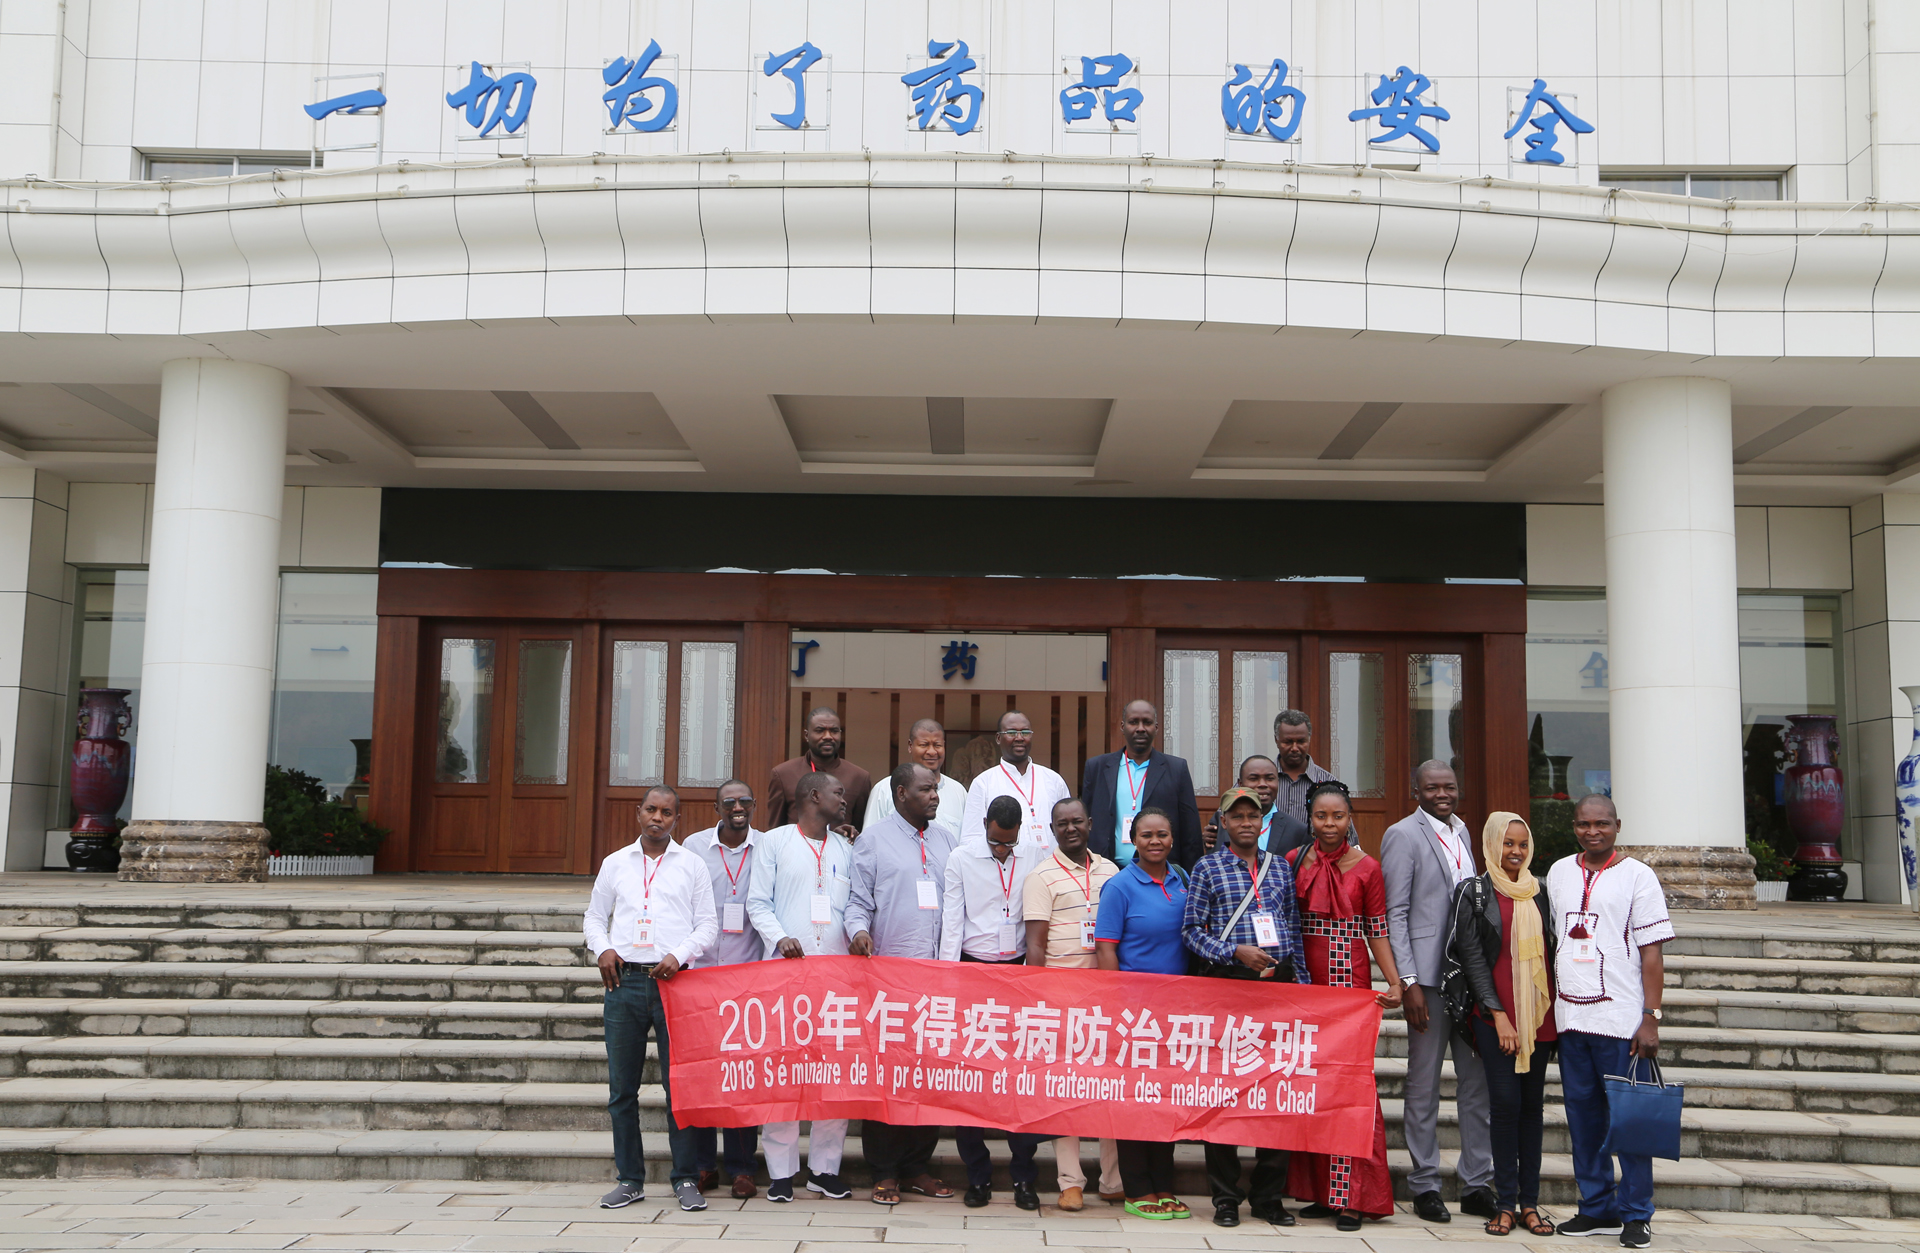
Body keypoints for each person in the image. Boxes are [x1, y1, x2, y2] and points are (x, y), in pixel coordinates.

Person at [1547, 795, 1672, 1250]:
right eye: (1584, 824)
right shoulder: (1558, 872)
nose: (1592, 831)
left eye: (1601, 824)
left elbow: (1652, 954)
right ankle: (1596, 1208)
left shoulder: (1639, 875)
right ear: (1574, 826)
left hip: (1621, 1021)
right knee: (1583, 1121)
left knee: (1629, 1121)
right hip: (1571, 1019)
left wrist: (1650, 1017)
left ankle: (1636, 1213)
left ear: (1617, 825)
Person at [584, 786, 717, 1213]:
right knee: (622, 1089)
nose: (658, 818)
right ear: (638, 813)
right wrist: (602, 948)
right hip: (623, 983)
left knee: (680, 1088)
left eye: (666, 812)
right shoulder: (615, 863)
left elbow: (708, 924)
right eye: (651, 810)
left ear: (677, 819)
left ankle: (686, 1178)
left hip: (675, 984)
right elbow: (594, 917)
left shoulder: (691, 865)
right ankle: (630, 1180)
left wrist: (680, 954)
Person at [1181, 786, 1308, 1229]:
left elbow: (1292, 926)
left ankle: (1269, 1196)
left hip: (1278, 987)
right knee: (1225, 1092)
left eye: (1253, 816)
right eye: (1237, 816)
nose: (1246, 823)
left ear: (1262, 821)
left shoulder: (1280, 867)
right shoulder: (1207, 868)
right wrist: (1234, 952)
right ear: (1224, 823)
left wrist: (1303, 986)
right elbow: (1191, 931)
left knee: (1277, 1091)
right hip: (1229, 985)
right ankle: (1226, 1197)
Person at [1380, 759, 1496, 1223]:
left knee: (1476, 1083)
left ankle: (1476, 1183)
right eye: (1432, 788)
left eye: (1448, 786)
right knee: (1424, 1083)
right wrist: (1406, 980)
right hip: (1427, 980)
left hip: (1469, 978)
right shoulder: (1402, 835)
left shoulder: (1465, 833)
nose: (1442, 794)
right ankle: (1425, 1183)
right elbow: (1395, 912)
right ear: (1417, 791)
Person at [1284, 780, 1402, 1230]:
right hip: (1304, 984)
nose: (1329, 824)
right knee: (1308, 1082)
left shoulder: (1368, 868)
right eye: (1321, 816)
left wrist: (1396, 982)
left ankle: (1353, 1196)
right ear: (1310, 819)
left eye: (1337, 816)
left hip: (1348, 983)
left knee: (1351, 1087)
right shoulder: (1294, 860)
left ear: (1350, 818)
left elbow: (1377, 930)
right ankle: (1320, 1192)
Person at [845, 762, 958, 1206]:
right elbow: (857, 902)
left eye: (936, 789)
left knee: (928, 1075)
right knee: (889, 1075)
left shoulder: (947, 841)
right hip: (889, 981)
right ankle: (885, 1171)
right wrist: (858, 932)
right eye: (926, 789)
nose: (935, 796)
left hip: (938, 981)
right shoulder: (873, 841)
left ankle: (916, 1167)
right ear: (900, 794)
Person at [745, 770, 856, 1203]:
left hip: (836, 978)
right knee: (783, 1073)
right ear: (813, 795)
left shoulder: (846, 847)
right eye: (838, 793)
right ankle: (780, 1172)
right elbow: (757, 902)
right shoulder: (774, 843)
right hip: (785, 975)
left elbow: (856, 905)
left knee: (835, 1075)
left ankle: (825, 1170)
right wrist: (779, 938)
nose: (844, 800)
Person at [1454, 811, 1559, 1238]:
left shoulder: (1540, 892)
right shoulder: (1474, 892)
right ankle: (1504, 1204)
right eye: (1507, 843)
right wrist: (1499, 1016)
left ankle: (1530, 1204)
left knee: (1531, 1108)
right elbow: (1472, 959)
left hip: (1539, 1017)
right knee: (1504, 1105)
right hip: (1494, 1016)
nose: (1515, 851)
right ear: (1492, 844)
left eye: (1522, 844)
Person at [941, 795, 1047, 1210]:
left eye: (1008, 843)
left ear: (1020, 831)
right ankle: (978, 1176)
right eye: (995, 842)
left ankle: (1023, 1177)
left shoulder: (1035, 854)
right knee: (970, 1081)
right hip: (973, 970)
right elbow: (952, 921)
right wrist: (947, 983)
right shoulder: (962, 858)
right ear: (984, 824)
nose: (1001, 849)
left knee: (1019, 1080)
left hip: (1018, 973)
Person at [1024, 796, 1123, 1210]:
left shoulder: (1111, 871)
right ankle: (1070, 1182)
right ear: (1052, 830)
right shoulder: (1040, 876)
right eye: (1062, 823)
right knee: (1064, 1089)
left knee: (1109, 1089)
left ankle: (1113, 1180)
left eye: (1077, 821)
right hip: (1060, 997)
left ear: (1090, 824)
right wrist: (1037, 998)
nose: (1070, 829)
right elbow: (1035, 944)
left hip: (1105, 997)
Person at [1093, 808, 1191, 1221]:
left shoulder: (1183, 880)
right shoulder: (1119, 886)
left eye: (1162, 834)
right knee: (1135, 1101)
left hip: (1177, 1013)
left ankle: (1164, 1185)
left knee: (1166, 1101)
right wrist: (1117, 1006)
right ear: (1133, 840)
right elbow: (1105, 948)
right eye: (1147, 835)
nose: (1155, 841)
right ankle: (1137, 1188)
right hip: (1134, 1014)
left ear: (1172, 838)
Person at [682, 779, 765, 1199]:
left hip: (746, 979)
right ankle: (702, 1165)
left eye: (744, 801)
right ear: (716, 808)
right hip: (698, 977)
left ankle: (742, 1168)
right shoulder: (693, 848)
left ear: (753, 805)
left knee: (742, 1077)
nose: (737, 807)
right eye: (729, 801)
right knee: (700, 1075)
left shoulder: (767, 847)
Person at [1082, 699, 1205, 869]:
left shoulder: (1177, 769)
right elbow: (1085, 822)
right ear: (1123, 727)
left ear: (1156, 728)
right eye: (1133, 722)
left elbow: (1190, 830)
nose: (1140, 728)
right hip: (1106, 871)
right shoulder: (1097, 767)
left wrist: (1191, 876)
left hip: (1161, 872)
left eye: (1147, 722)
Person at [960, 710, 1070, 849]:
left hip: (1050, 862)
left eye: (1025, 732)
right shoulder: (983, 783)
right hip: (1004, 862)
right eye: (1011, 733)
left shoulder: (1053, 780)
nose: (1019, 738)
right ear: (998, 738)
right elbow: (971, 839)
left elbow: (1068, 827)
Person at [767, 706, 873, 831]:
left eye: (834, 731)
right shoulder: (783, 774)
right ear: (806, 735)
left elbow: (861, 830)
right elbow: (775, 830)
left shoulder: (859, 777)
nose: (828, 736)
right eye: (820, 730)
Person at [864, 717, 967, 831]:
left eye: (937, 745)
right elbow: (870, 836)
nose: (932, 752)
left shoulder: (959, 791)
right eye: (924, 745)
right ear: (910, 746)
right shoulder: (884, 789)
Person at [1205, 754, 1311, 858]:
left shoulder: (1298, 830)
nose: (1262, 784)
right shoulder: (1221, 822)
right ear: (1240, 784)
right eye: (1254, 779)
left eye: (1269, 778)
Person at [1272, 710, 1338, 827]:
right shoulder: (1256, 781)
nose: (1294, 748)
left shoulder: (1329, 783)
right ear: (1276, 740)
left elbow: (1348, 833)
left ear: (1309, 740)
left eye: (1301, 742)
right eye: (1288, 742)